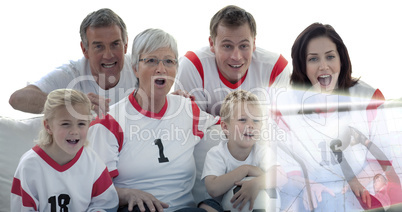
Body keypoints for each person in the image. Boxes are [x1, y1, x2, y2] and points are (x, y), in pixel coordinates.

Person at [88, 28, 221, 212]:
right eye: (151, 61)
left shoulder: (187, 109)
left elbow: (231, 126)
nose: (161, 69)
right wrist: (127, 194)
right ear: (135, 68)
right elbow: (94, 190)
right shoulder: (110, 122)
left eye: (169, 61)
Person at [272, 22, 398, 211]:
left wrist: (355, 182)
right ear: (302, 65)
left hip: (362, 188)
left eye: (330, 56)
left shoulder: (367, 98)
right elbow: (283, 162)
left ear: (341, 59)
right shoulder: (285, 105)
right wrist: (306, 184)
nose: (324, 66)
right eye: (313, 59)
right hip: (310, 191)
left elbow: (384, 156)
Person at [9, 8, 137, 117]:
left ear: (125, 45)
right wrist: (73, 104)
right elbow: (17, 99)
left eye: (115, 44)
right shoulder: (71, 74)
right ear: (85, 50)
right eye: (99, 46)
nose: (108, 55)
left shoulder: (139, 66)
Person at [10, 89, 118, 211]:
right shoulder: (29, 166)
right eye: (66, 124)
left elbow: (106, 204)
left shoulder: (93, 162)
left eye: (81, 124)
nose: (74, 131)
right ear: (48, 126)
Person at [174, 5, 291, 116]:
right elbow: (192, 127)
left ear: (254, 43)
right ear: (212, 44)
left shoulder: (276, 68)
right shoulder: (192, 65)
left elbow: (279, 128)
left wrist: (212, 122)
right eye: (227, 46)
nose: (236, 57)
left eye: (244, 46)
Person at [201, 90, 287, 211]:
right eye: (243, 120)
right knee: (206, 206)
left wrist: (257, 183)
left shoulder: (261, 152)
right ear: (225, 127)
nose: (251, 125)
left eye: (256, 121)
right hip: (221, 207)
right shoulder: (217, 154)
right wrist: (245, 169)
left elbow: (282, 176)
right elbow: (213, 189)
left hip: (257, 205)